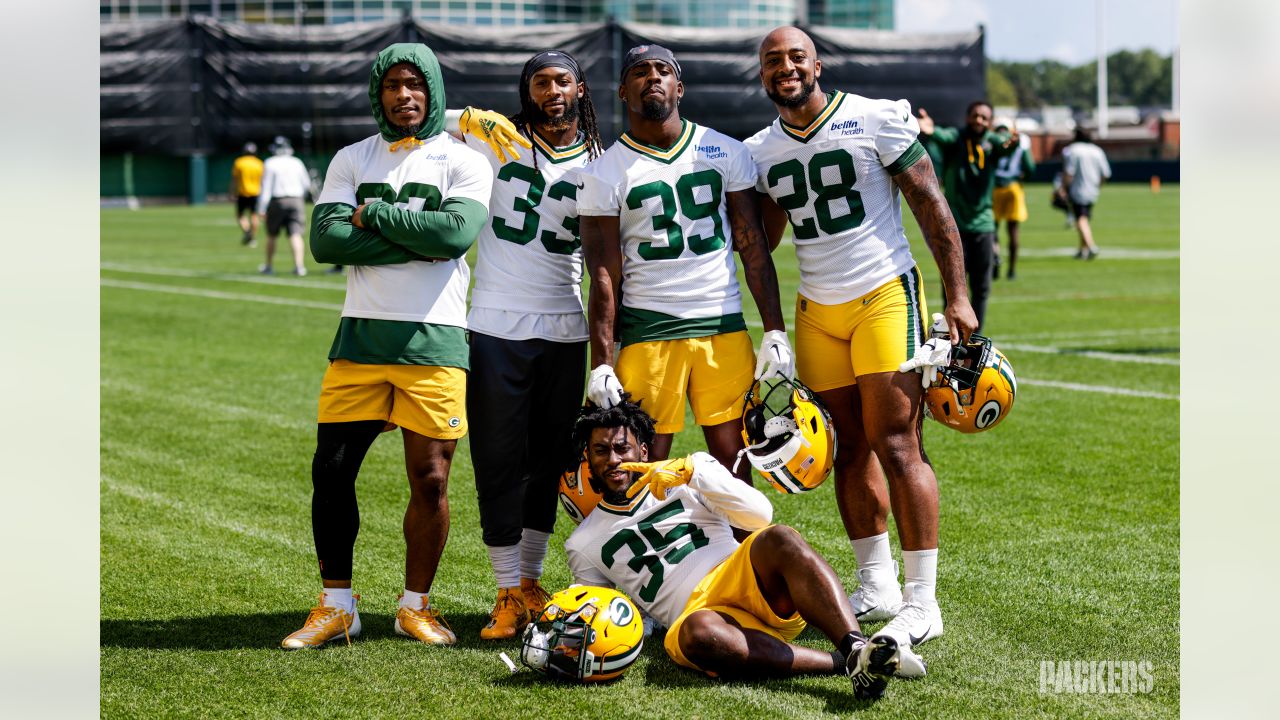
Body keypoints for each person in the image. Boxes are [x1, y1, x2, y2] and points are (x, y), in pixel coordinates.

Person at [744, 26, 978, 650]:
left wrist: (957, 294)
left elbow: (932, 204)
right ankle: (876, 583)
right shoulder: (760, 150)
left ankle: (923, 601)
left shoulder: (875, 119)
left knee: (896, 443)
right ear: (762, 74)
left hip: (883, 292)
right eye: (773, 61)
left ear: (817, 63)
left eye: (796, 57)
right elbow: (762, 243)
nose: (786, 68)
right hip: (817, 307)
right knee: (847, 450)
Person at [281, 42, 494, 649]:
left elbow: (455, 234)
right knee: (332, 472)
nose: (404, 95)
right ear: (379, 94)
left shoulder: (465, 160)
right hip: (361, 338)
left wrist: (371, 218)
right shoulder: (352, 157)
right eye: (392, 86)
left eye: (414, 84)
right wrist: (414, 238)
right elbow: (327, 244)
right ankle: (337, 605)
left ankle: (414, 606)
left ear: (432, 90)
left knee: (430, 480)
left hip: (435, 341)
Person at [563, 400, 921, 700]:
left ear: (642, 450)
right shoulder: (582, 543)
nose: (613, 459)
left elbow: (760, 516)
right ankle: (848, 665)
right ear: (588, 458)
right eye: (601, 450)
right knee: (696, 634)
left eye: (621, 447)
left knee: (779, 537)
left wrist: (693, 473)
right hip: (699, 615)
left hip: (742, 574)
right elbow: (606, 612)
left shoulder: (691, 471)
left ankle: (856, 647)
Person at [578, 44, 791, 484]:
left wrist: (774, 329)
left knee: (736, 465)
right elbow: (603, 273)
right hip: (649, 333)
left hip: (721, 326)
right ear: (623, 90)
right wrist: (600, 361)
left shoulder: (725, 151)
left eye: (663, 70)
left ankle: (741, 554)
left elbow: (753, 246)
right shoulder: (603, 172)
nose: (652, 77)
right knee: (639, 470)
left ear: (680, 87)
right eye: (639, 72)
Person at [455, 50, 605, 641]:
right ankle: (504, 590)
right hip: (495, 325)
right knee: (497, 462)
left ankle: (530, 581)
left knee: (548, 465)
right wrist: (470, 116)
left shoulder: (600, 159)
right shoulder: (496, 142)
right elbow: (422, 119)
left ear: (580, 89)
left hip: (566, 330)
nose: (552, 91)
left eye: (561, 80)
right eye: (539, 82)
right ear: (527, 91)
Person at [917, 101, 1018, 332]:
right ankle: (951, 331)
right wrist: (930, 130)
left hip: (983, 225)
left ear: (990, 122)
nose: (979, 121)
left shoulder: (991, 142)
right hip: (955, 226)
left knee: (981, 287)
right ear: (967, 117)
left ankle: (975, 335)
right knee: (953, 286)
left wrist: (1013, 144)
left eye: (984, 117)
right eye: (975, 116)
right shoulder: (957, 138)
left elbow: (1005, 146)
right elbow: (942, 135)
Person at [256, 136, 313, 276]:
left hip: (277, 201)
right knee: (295, 234)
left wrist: (261, 208)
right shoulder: (297, 162)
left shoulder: (270, 163)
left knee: (272, 234)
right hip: (296, 199)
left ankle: (269, 266)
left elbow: (266, 188)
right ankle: (299, 267)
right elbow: (306, 184)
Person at [991, 118, 1035, 280]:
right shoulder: (1020, 142)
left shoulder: (991, 141)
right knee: (1013, 230)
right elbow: (1030, 167)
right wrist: (1023, 178)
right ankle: (1012, 270)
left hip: (994, 187)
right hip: (1013, 187)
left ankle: (994, 258)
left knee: (991, 230)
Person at [1060, 127, 1111, 260]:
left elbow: (1069, 173)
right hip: (1093, 189)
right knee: (1084, 217)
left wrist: (1064, 188)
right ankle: (1082, 250)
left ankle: (1091, 246)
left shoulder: (1073, 150)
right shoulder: (1097, 150)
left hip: (1078, 189)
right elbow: (1105, 174)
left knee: (1080, 219)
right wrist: (1098, 186)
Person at [231, 142, 263, 247]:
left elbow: (235, 179)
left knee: (240, 215)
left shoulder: (239, 162)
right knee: (254, 215)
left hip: (242, 193)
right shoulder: (259, 163)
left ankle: (247, 231)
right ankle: (252, 237)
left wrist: (232, 191)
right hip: (256, 192)